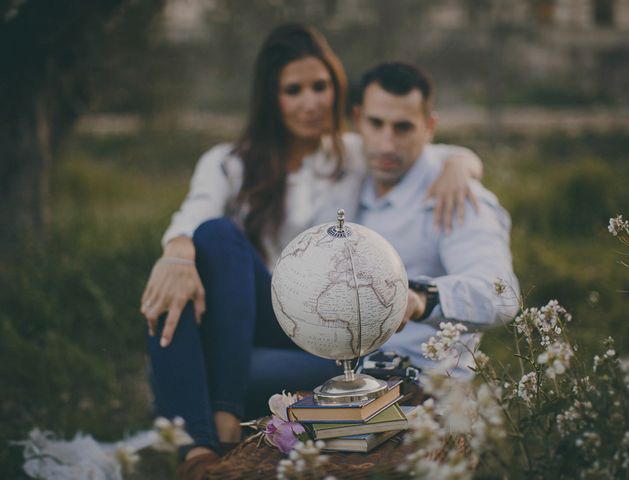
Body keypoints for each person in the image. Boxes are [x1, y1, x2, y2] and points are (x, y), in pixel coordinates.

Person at [140, 24, 482, 475]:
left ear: (337, 89)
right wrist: (177, 254)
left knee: (180, 356)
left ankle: (208, 432)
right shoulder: (229, 162)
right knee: (215, 235)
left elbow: (430, 150)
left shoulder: (354, 155)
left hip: (322, 326)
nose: (310, 102)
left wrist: (462, 164)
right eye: (293, 89)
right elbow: (194, 211)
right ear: (271, 97)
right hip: (253, 315)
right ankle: (205, 450)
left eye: (320, 86)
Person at [352, 62, 520, 375]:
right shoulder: (348, 174)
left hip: (417, 385)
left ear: (428, 127)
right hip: (340, 364)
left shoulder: (456, 196)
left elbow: (499, 293)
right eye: (376, 124)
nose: (387, 144)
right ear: (357, 119)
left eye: (403, 127)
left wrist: (420, 299)